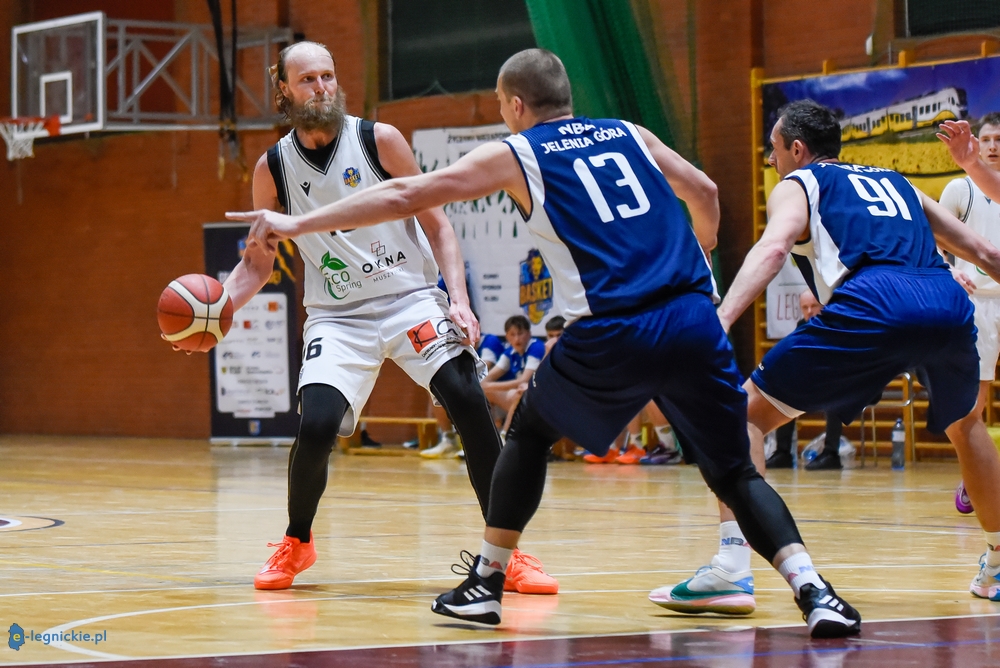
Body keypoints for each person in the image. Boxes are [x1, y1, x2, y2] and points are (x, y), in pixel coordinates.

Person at [231, 50, 862, 638]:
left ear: (514, 105)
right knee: (734, 470)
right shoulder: (630, 132)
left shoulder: (518, 152)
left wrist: (297, 223)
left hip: (613, 325)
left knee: (527, 434)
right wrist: (702, 246)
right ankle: (815, 591)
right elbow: (707, 192)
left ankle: (486, 583)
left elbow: (406, 196)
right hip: (693, 318)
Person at [219, 41, 556, 595]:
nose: (322, 88)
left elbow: (439, 226)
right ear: (284, 89)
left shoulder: (380, 140)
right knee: (316, 426)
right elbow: (257, 265)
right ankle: (297, 541)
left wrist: (459, 299)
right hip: (337, 316)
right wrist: (220, 308)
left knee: (468, 399)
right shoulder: (273, 167)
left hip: (410, 299)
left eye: (328, 76)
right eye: (308, 80)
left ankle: (506, 553)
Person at [656, 100, 1000, 617]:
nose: (771, 160)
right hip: (946, 303)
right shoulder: (897, 182)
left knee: (740, 415)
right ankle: (998, 564)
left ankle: (731, 566)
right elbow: (988, 254)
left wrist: (720, 318)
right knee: (967, 424)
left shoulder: (800, 182)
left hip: (875, 301)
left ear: (797, 149)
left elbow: (774, 248)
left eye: (774, 149)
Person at [938, 114, 1000, 514]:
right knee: (974, 401)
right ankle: (973, 475)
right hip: (978, 302)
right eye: (988, 138)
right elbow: (932, 240)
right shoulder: (960, 188)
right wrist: (948, 271)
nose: (993, 146)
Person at [766, 289, 844, 471]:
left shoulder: (838, 324)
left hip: (843, 381)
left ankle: (831, 454)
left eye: (813, 306)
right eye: (805, 308)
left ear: (823, 306)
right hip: (815, 381)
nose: (809, 312)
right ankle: (783, 453)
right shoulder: (802, 326)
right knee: (783, 391)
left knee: (836, 392)